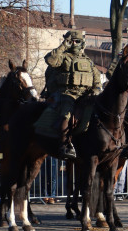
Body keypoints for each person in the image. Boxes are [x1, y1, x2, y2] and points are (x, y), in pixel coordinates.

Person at [35, 30, 99, 160]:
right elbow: (50, 60)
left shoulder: (88, 61)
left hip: (86, 96)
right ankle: (65, 145)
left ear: (82, 43)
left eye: (77, 41)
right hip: (67, 94)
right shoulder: (63, 58)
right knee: (66, 115)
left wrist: (95, 91)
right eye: (72, 41)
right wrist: (64, 45)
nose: (75, 44)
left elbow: (97, 81)